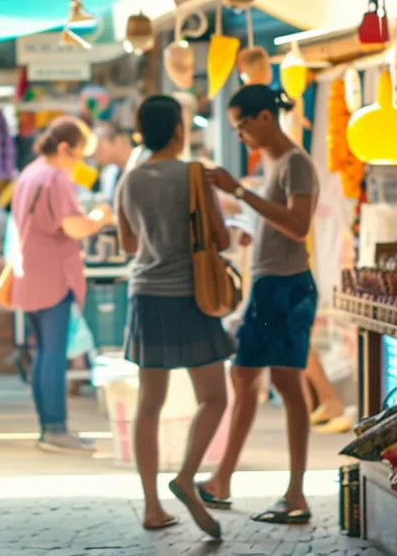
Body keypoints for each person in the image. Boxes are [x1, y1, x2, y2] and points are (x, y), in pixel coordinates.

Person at [198, 85, 319, 525]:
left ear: (265, 117)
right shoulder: (276, 164)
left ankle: (291, 492)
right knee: (252, 376)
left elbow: (299, 226)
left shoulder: (296, 164)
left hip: (286, 289)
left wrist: (241, 193)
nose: (242, 134)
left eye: (242, 125)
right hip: (273, 285)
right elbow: (279, 220)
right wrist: (250, 225)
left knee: (274, 381)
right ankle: (224, 480)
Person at [115, 95, 233, 539]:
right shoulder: (192, 173)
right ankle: (186, 476)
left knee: (149, 404)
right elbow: (218, 237)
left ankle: (151, 506)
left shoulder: (129, 180)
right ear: (180, 129)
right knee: (215, 398)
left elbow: (129, 244)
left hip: (146, 295)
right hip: (192, 296)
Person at [10, 116, 111, 454]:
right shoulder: (54, 178)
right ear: (65, 148)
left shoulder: (30, 173)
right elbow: (74, 227)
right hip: (53, 273)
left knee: (44, 352)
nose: (80, 162)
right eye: (79, 154)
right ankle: (55, 428)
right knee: (53, 352)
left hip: (31, 272)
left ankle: (49, 427)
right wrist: (100, 218)